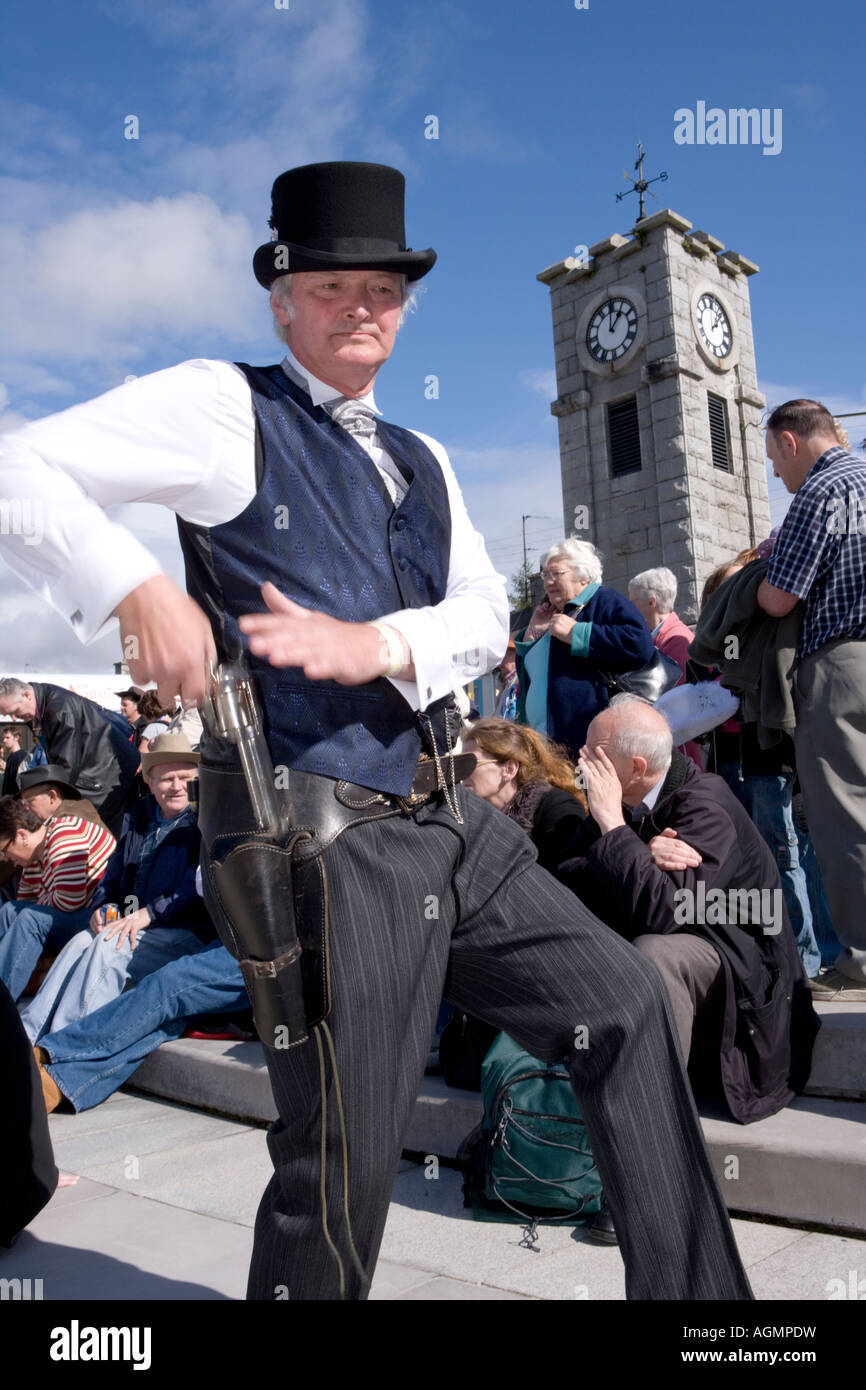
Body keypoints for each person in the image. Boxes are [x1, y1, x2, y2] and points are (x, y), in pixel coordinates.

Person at [0, 160, 752, 1301]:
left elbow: (470, 610)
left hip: (458, 817)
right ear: (283, 295)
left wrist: (380, 645)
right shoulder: (222, 404)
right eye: (337, 283)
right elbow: (22, 464)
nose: (365, 306)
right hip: (330, 839)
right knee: (339, 1156)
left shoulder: (425, 457)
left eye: (387, 289)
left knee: (627, 1004)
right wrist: (131, 588)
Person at [559, 695, 820, 1124]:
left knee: (654, 953)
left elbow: (665, 911)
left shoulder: (705, 806)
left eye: (595, 756)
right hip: (701, 957)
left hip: (745, 975)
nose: (581, 764)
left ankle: (650, 1121)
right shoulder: (621, 804)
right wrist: (634, 845)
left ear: (637, 768)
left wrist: (615, 832)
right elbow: (563, 881)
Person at [757, 400, 866, 1001]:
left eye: (775, 458)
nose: (777, 473)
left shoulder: (820, 493)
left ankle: (860, 958)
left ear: (793, 441)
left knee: (846, 812)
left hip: (843, 662)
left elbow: (778, 600)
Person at [20, 732, 214, 1043]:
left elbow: (195, 886)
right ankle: (27, 1036)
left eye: (184, 777)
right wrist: (103, 906)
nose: (176, 786)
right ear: (149, 782)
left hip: (186, 931)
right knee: (81, 942)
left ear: (197, 778)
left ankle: (65, 1044)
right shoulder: (138, 818)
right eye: (166, 779)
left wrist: (148, 914)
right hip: (134, 924)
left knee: (110, 947)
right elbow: (112, 876)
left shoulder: (206, 820)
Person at [31, 939, 247, 1115]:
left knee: (168, 984)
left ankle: (51, 1052)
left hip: (265, 947)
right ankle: (52, 1086)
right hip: (238, 934)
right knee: (169, 1019)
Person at [514, 538, 654, 760]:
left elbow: (640, 644)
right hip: (542, 747)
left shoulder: (604, 600)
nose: (548, 581)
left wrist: (577, 634)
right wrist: (532, 634)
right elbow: (529, 678)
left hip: (584, 745)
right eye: (545, 575)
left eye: (556, 573)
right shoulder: (550, 613)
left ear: (583, 576)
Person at [0, 799, 116, 1000]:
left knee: (30, 919)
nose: (5, 858)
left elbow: (69, 900)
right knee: (11, 909)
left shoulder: (64, 834)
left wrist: (41, 901)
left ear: (21, 836)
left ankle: (4, 1002)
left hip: (102, 914)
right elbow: (25, 899)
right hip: (79, 913)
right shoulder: (35, 857)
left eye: (4, 849)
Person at [0, 679, 140, 835]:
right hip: (100, 769)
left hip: (106, 775)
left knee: (87, 833)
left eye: (14, 711)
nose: (14, 718)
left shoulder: (59, 710)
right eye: (8, 714)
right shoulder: (41, 702)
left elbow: (65, 768)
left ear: (27, 695)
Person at [461, 717, 586, 873]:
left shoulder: (558, 810)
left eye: (470, 763)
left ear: (509, 769)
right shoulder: (471, 819)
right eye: (459, 765)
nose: (461, 773)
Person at [18, 764, 108, 832]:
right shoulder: (74, 810)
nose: (26, 808)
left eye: (29, 801)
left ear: (52, 796)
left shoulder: (67, 825)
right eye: (23, 802)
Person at [1, 727, 27, 797]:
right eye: (3, 738)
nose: (4, 740)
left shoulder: (21, 757)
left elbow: (21, 783)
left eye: (7, 737)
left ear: (16, 737)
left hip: (16, 802)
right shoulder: (10, 757)